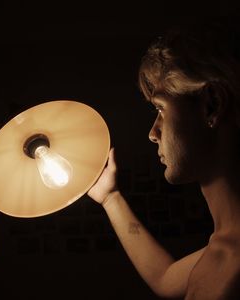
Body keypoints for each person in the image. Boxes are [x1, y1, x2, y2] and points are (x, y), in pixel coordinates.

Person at [88, 19, 240, 300]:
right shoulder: (222, 246)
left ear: (212, 105)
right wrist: (110, 198)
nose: (152, 133)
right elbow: (165, 278)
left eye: (161, 109)